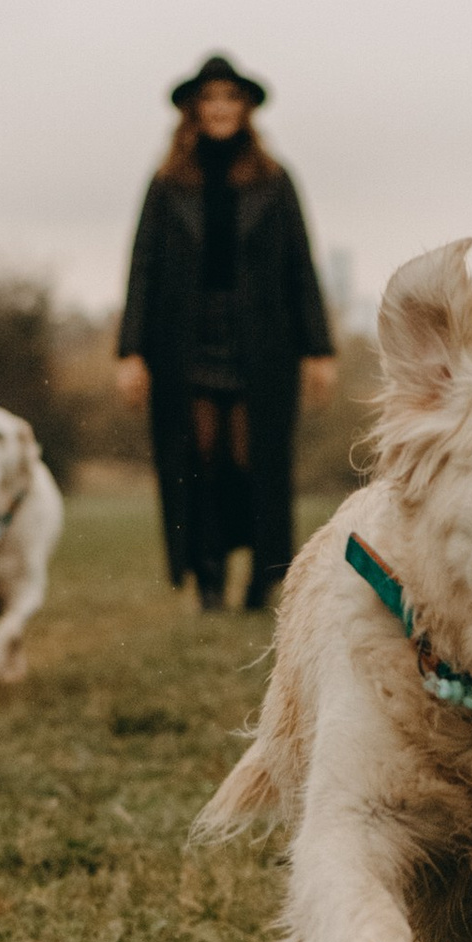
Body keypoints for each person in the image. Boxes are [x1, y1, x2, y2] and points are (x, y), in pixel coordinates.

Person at [116, 55, 336, 611]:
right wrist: (130, 351)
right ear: (194, 110)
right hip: (182, 341)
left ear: (245, 109)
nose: (220, 108)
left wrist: (319, 349)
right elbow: (141, 267)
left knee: (253, 457)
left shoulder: (275, 180)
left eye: (230, 98)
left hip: (263, 342)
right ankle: (208, 575)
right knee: (200, 456)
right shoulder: (166, 184)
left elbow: (300, 265)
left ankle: (262, 577)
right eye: (210, 98)